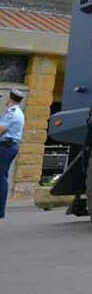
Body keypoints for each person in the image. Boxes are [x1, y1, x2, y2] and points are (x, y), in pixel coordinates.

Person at [0, 87, 27, 219]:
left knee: (1, 177)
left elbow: (1, 130)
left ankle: (0, 210)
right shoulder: (18, 112)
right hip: (9, 146)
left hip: (5, 146)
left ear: (10, 98)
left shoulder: (12, 112)